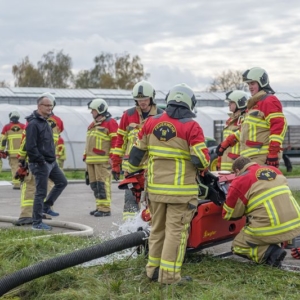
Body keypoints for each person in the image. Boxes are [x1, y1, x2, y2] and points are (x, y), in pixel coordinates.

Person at [128, 83, 210, 284]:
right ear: (189, 103)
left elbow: (135, 158)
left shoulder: (149, 123)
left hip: (155, 191)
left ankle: (153, 271)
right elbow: (201, 160)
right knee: (176, 233)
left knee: (157, 230)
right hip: (181, 193)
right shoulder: (192, 126)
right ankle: (170, 277)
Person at [222, 156, 300, 267]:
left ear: (237, 171)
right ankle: (274, 246)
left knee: (238, 245)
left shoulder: (240, 180)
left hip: (273, 228)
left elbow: (229, 214)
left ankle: (272, 253)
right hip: (295, 224)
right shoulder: (275, 171)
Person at [111, 80, 164, 220]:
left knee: (151, 202)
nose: (142, 102)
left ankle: (149, 231)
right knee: (130, 203)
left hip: (151, 168)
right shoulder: (127, 115)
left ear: (151, 97)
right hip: (131, 169)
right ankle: (128, 232)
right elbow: (120, 141)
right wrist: (115, 164)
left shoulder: (161, 115)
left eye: (145, 99)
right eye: (139, 100)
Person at [216, 67, 287, 168]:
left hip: (261, 156)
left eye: (253, 83)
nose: (250, 87)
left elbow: (279, 125)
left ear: (262, 82)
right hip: (250, 158)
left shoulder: (269, 101)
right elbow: (245, 130)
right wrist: (227, 142)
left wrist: (273, 151)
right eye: (248, 84)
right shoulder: (253, 106)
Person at [13, 93, 65, 226]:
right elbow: (28, 142)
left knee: (58, 183)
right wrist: (23, 159)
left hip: (49, 161)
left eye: (50, 106)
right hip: (39, 161)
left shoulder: (47, 121)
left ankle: (43, 210)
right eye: (46, 105)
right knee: (34, 189)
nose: (49, 108)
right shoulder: (34, 122)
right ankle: (30, 217)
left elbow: (52, 142)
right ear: (39, 106)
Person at [84, 98, 118, 217]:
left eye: (93, 110)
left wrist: (113, 157)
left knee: (103, 185)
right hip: (91, 160)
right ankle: (99, 206)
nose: (91, 112)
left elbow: (116, 141)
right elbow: (89, 142)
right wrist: (85, 155)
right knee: (95, 185)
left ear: (99, 110)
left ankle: (105, 209)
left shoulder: (110, 122)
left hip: (103, 161)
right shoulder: (92, 125)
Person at [217, 90, 249, 171]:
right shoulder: (230, 121)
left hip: (236, 165)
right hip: (226, 165)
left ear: (239, 103)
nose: (228, 104)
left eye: (231, 102)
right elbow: (225, 142)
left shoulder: (245, 119)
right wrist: (220, 159)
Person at [0, 111, 25, 189]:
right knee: (24, 167)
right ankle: (23, 183)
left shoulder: (6, 127)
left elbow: (3, 140)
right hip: (23, 153)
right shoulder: (23, 126)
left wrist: (1, 150)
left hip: (12, 153)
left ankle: (17, 184)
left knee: (15, 167)